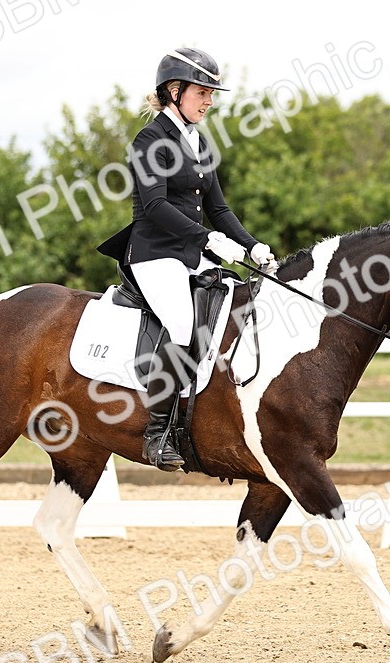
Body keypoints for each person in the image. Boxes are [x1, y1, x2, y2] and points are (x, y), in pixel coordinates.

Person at [98, 47, 278, 472]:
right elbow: (156, 205)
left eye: (211, 94)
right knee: (181, 322)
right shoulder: (149, 141)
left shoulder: (200, 142)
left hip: (191, 254)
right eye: (203, 92)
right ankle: (158, 433)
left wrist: (251, 245)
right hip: (155, 254)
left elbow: (219, 208)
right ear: (174, 91)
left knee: (233, 311)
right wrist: (211, 241)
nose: (210, 101)